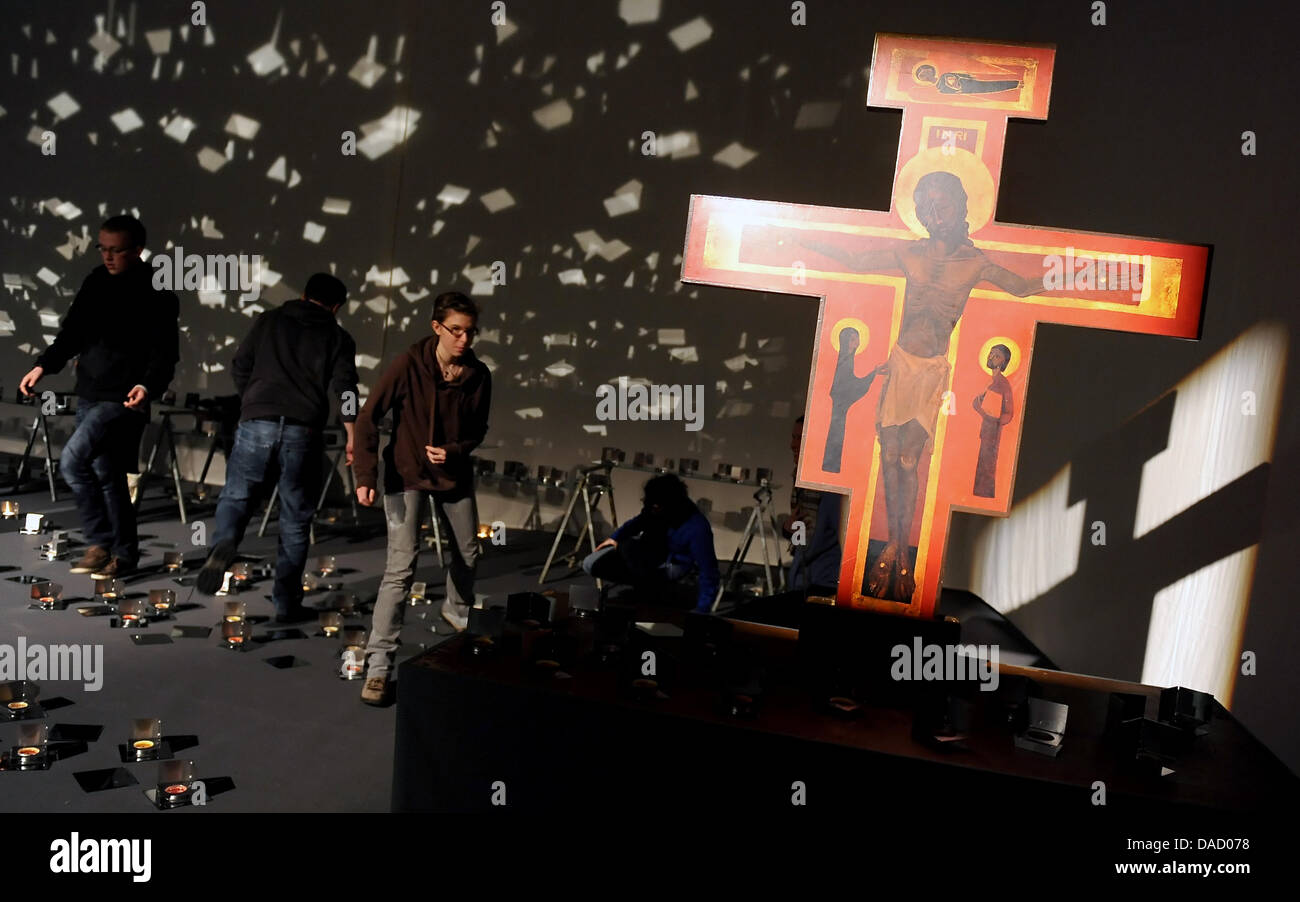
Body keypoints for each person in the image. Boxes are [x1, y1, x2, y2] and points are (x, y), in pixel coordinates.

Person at [799, 170, 1041, 602]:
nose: (934, 212)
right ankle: (895, 547)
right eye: (925, 206)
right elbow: (857, 262)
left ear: (961, 204)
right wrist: (809, 241)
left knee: (909, 458)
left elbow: (1022, 288)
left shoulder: (974, 262)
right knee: (889, 453)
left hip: (930, 370)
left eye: (941, 202)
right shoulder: (911, 254)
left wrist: (1081, 276)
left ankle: (900, 547)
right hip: (901, 362)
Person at [19, 215, 179, 579]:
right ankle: (124, 554)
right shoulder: (95, 282)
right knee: (107, 475)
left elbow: (165, 353)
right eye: (102, 249)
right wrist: (43, 366)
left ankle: (100, 542)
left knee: (73, 462)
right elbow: (72, 334)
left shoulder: (157, 292)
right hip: (90, 392)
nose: (108, 257)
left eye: (116, 250)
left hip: (123, 400)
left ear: (137, 250)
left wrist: (146, 387)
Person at [352, 292, 492, 705]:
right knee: (401, 567)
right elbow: (368, 416)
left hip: (453, 474)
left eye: (470, 331)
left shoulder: (479, 375)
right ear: (437, 328)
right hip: (406, 475)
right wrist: (365, 472)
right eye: (456, 330)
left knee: (468, 552)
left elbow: (478, 430)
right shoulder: (408, 364)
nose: (464, 339)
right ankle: (378, 667)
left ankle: (456, 610)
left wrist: (455, 449)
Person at [195, 274, 359, 622]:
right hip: (303, 429)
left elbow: (240, 365)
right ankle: (286, 604)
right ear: (337, 306)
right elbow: (345, 389)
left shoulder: (269, 321)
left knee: (237, 495)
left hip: (258, 419)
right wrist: (352, 433)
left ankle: (225, 542)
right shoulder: (338, 337)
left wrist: (254, 400)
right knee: (296, 519)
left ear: (302, 295)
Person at [583, 473, 720, 613]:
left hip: (674, 564)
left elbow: (708, 571)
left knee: (630, 551)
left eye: (655, 506)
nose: (651, 508)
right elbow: (637, 522)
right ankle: (647, 585)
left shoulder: (697, 527)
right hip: (650, 552)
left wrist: (702, 609)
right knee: (590, 563)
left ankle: (652, 588)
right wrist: (615, 537)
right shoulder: (654, 508)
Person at [786, 416, 842, 594]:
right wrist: (788, 529)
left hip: (823, 584)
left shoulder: (829, 487)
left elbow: (836, 536)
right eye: (793, 438)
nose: (793, 445)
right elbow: (802, 536)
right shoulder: (802, 481)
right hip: (803, 580)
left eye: (800, 438)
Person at [972, 343, 1015, 497]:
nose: (991, 357)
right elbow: (976, 404)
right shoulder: (991, 381)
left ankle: (984, 494)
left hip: (993, 434)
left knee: (988, 465)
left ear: (1003, 363)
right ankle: (979, 494)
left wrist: (995, 420)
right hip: (986, 431)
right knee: (982, 464)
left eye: (997, 356)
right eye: (991, 353)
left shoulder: (1003, 384)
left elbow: (1009, 413)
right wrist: (984, 407)